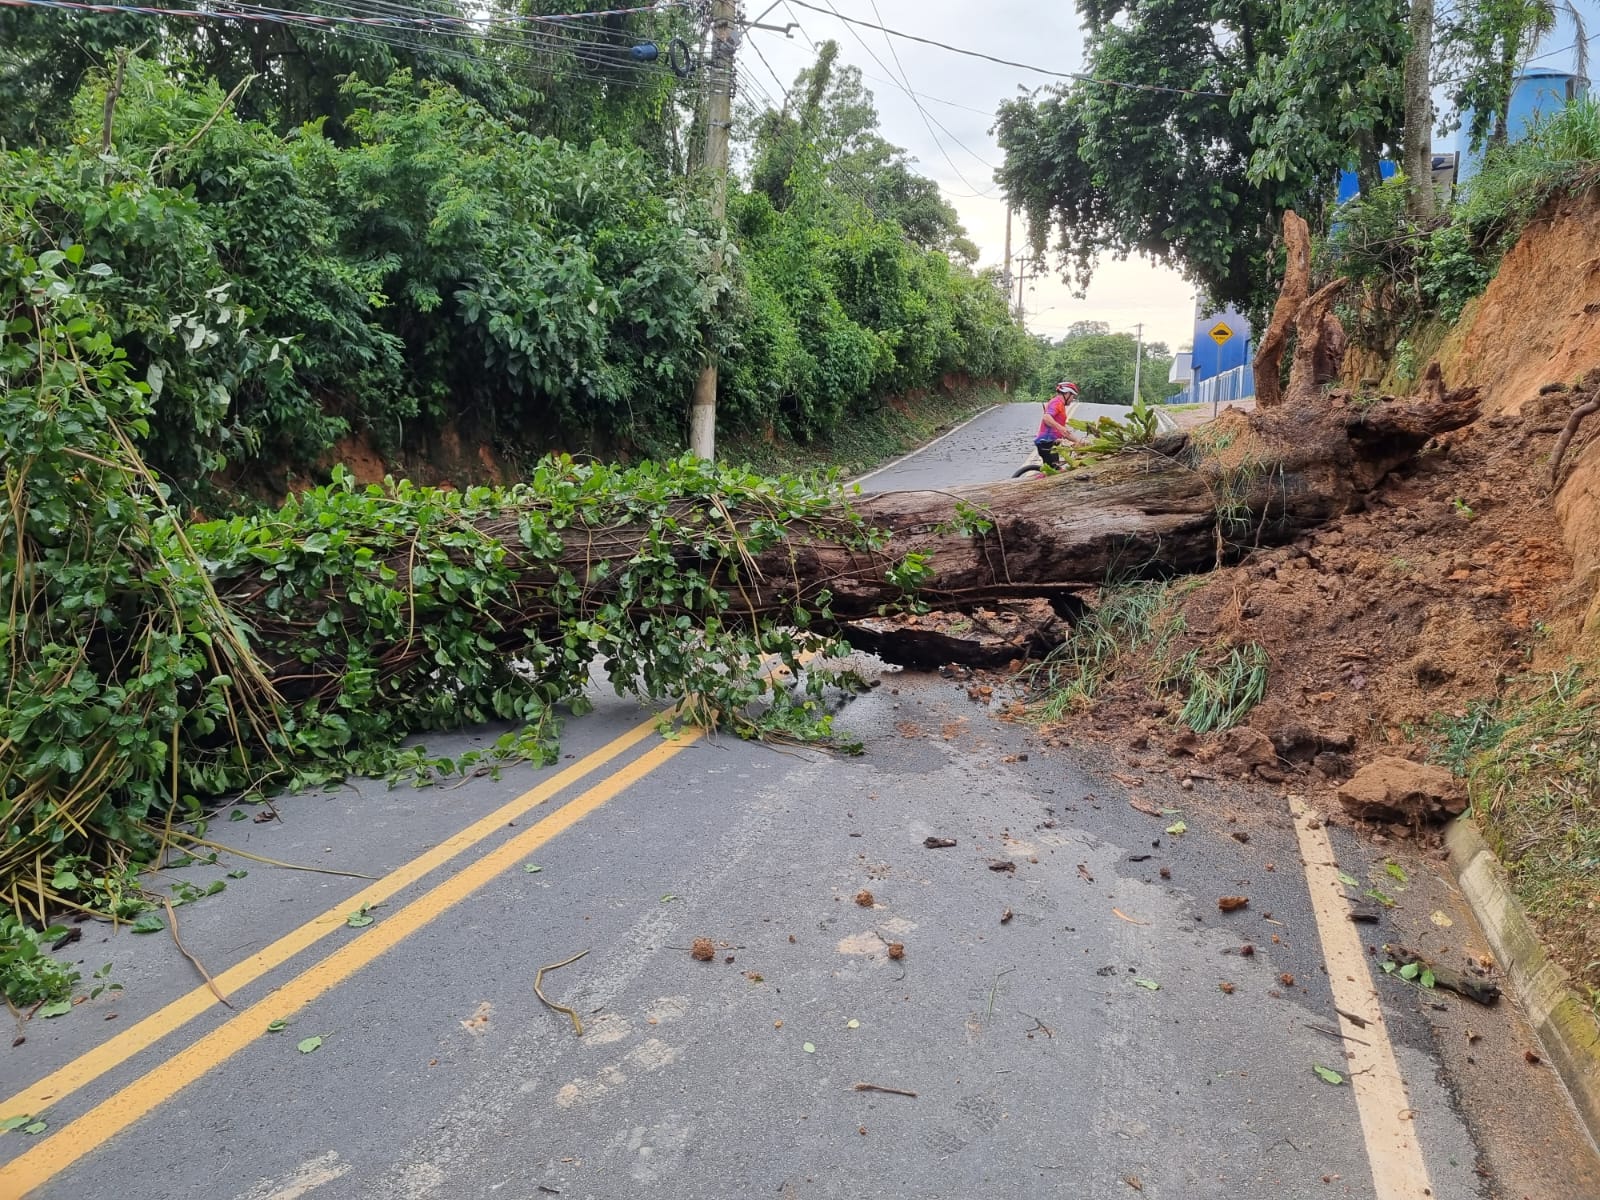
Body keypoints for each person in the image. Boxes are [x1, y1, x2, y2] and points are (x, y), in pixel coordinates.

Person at [1034, 380, 1083, 469]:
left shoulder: (1060, 405)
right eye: (1073, 396)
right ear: (1067, 394)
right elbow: (1046, 417)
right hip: (1046, 443)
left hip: (1051, 443)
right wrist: (1060, 427)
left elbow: (1063, 431)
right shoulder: (1056, 402)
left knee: (1054, 469)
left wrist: (1077, 441)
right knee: (1055, 473)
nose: (1073, 399)